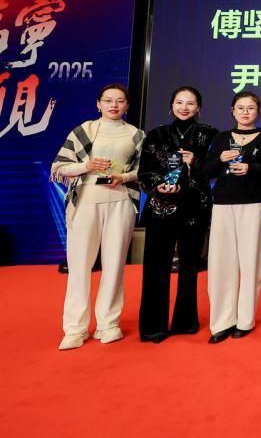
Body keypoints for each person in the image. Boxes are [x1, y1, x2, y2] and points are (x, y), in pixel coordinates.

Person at [51, 84, 145, 350]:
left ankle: (109, 323)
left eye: (120, 101)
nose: (114, 105)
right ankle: (75, 328)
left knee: (115, 265)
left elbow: (145, 171)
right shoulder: (84, 130)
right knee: (79, 265)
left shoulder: (136, 135)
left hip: (121, 202)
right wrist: (87, 166)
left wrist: (123, 177)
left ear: (127, 105)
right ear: (98, 104)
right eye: (108, 100)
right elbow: (59, 167)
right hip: (85, 202)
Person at [137, 85, 218, 342]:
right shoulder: (156, 134)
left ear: (199, 108)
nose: (184, 107)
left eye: (190, 103)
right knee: (155, 266)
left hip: (195, 207)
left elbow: (216, 169)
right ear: (171, 106)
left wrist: (196, 163)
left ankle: (185, 321)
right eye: (179, 102)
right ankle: (153, 326)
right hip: (161, 207)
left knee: (189, 267)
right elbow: (144, 171)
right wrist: (158, 185)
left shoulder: (210, 134)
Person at [203, 91, 261, 343]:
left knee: (250, 264)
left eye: (250, 108)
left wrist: (251, 167)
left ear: (258, 111)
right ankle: (222, 321)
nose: (245, 112)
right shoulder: (221, 138)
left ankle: (245, 319)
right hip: (223, 205)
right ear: (232, 111)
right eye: (240, 107)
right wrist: (219, 160)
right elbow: (206, 170)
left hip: (253, 204)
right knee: (221, 264)